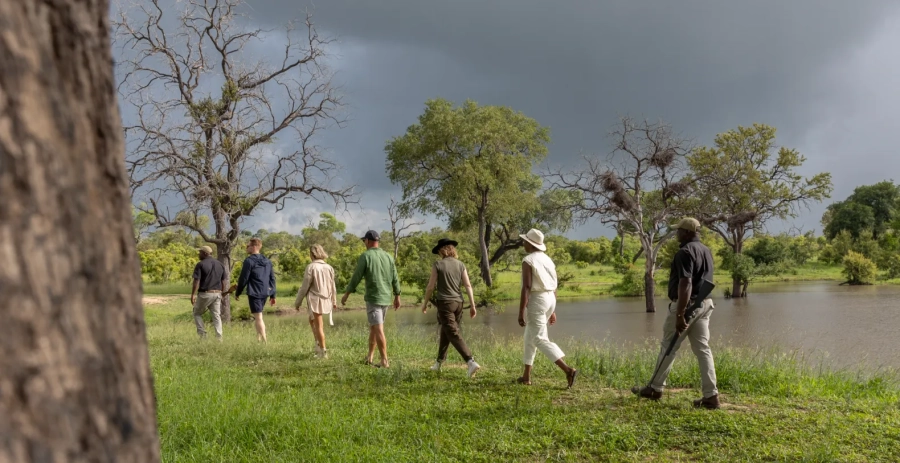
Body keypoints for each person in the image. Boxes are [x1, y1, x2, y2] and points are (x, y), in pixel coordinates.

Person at [632, 217, 720, 409]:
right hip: (705, 304)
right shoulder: (706, 250)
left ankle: (655, 388)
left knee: (669, 347)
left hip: (687, 307)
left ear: (688, 232)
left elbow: (686, 283)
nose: (676, 234)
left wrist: (680, 314)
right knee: (703, 350)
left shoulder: (685, 252)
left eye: (679, 231)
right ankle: (711, 396)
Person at [516, 229, 577, 388]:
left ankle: (567, 369)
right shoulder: (548, 260)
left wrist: (521, 311)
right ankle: (526, 376)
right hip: (550, 298)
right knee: (530, 337)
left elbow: (527, 287)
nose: (523, 243)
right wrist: (552, 309)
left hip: (537, 299)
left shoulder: (528, 260)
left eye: (525, 241)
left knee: (539, 339)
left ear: (530, 243)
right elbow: (554, 285)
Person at [340, 230, 401, 368]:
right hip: (386, 297)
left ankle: (384, 361)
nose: (364, 244)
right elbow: (395, 277)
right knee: (374, 327)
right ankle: (370, 357)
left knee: (378, 328)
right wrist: (397, 295)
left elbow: (357, 276)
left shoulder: (365, 256)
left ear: (367, 241)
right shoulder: (388, 256)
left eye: (364, 241)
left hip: (374, 297)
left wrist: (347, 293)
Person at [421, 238, 481, 378]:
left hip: (445, 303)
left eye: (439, 251)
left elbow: (430, 286)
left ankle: (470, 361)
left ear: (443, 250)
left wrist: (424, 303)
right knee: (447, 331)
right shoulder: (461, 264)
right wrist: (472, 305)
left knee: (452, 332)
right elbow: (467, 286)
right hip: (459, 303)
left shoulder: (438, 264)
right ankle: (439, 362)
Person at [294, 245, 337, 358]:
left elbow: (304, 287)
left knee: (319, 325)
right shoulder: (329, 267)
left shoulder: (311, 267)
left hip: (315, 299)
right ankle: (318, 345)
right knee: (312, 320)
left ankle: (323, 352)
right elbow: (333, 286)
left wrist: (297, 302)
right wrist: (334, 300)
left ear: (312, 254)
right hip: (326, 298)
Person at [235, 238, 276, 344]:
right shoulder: (267, 261)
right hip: (265, 292)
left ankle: (265, 342)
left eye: (247, 246)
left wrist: (238, 292)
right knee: (258, 315)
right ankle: (258, 339)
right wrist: (273, 295)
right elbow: (272, 278)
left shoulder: (249, 261)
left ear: (254, 247)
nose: (246, 248)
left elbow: (243, 279)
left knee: (258, 317)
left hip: (254, 292)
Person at [190, 246, 228, 340]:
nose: (199, 254)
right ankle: (219, 338)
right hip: (217, 294)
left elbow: (196, 281)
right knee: (216, 316)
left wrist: (193, 294)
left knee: (197, 313)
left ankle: (203, 335)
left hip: (205, 293)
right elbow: (224, 281)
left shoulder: (200, 264)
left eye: (200, 252)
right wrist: (222, 294)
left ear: (205, 253)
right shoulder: (220, 264)